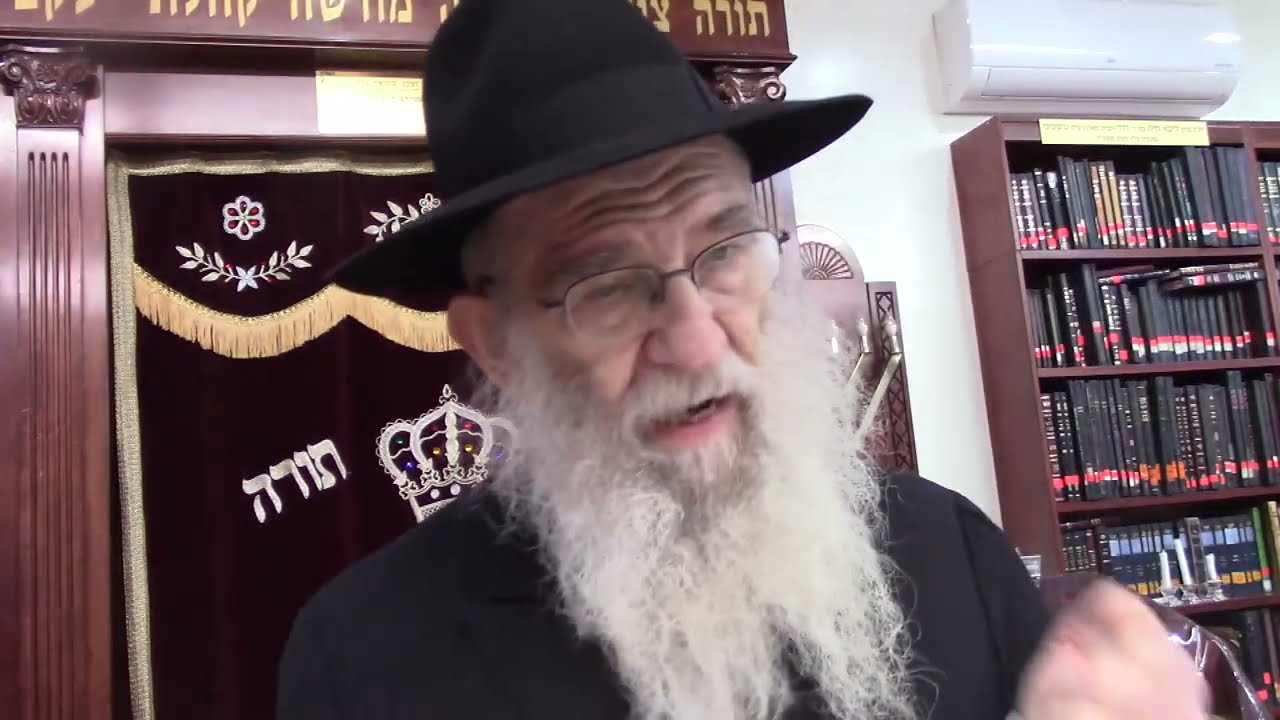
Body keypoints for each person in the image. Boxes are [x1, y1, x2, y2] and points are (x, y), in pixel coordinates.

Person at [277, 0, 1209, 718]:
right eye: (607, 287)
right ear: (497, 345)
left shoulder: (951, 552)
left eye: (724, 252)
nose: (697, 340)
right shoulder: (365, 660)